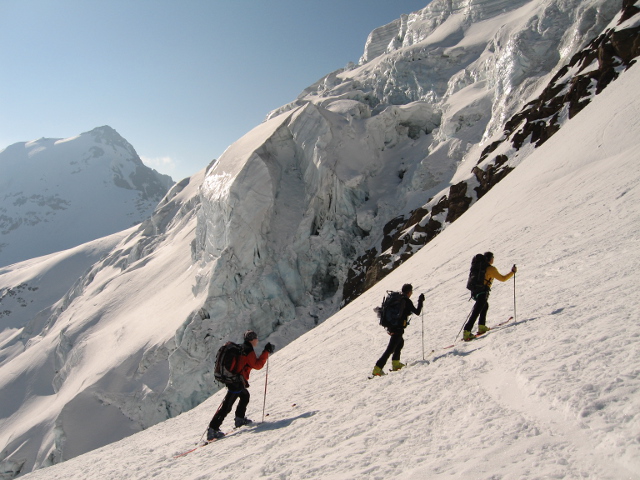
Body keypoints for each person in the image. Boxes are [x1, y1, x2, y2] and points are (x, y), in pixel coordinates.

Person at [207, 330, 275, 440]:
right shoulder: (248, 350)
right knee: (227, 406)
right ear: (252, 339)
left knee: (245, 396)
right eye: (256, 338)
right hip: (236, 382)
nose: (257, 340)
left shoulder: (241, 348)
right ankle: (213, 429)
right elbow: (257, 365)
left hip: (234, 380)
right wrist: (266, 352)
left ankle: (239, 419)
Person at [372, 283, 424, 376]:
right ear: (409, 292)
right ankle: (377, 368)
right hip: (398, 328)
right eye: (411, 291)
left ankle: (396, 364)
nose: (411, 293)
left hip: (393, 327)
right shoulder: (406, 301)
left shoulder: (398, 299)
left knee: (400, 343)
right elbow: (417, 312)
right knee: (390, 349)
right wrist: (420, 301)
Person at [463, 252, 517, 341]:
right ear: (490, 259)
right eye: (493, 258)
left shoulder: (479, 267)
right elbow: (503, 279)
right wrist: (512, 272)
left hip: (475, 292)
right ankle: (467, 332)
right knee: (476, 311)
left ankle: (481, 326)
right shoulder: (491, 269)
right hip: (483, 292)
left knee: (484, 306)